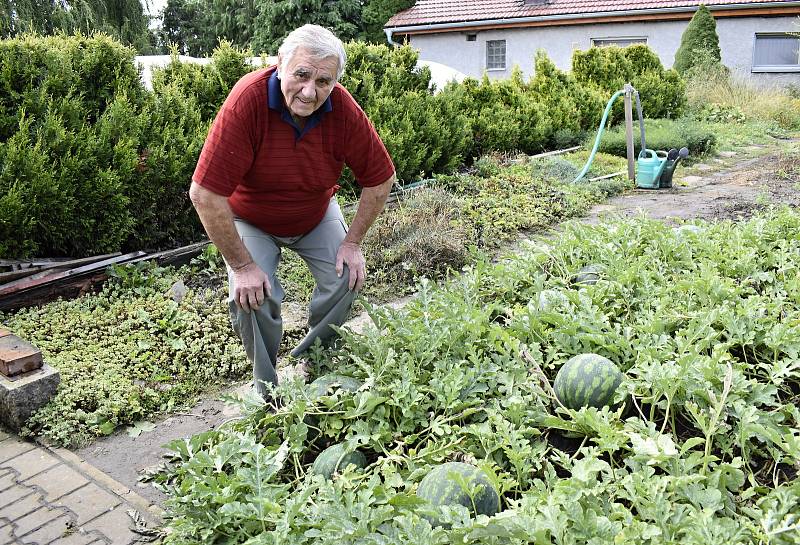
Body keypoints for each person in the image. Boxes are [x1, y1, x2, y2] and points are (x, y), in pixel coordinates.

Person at [189, 24, 396, 399]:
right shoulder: (248, 100)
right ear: (280, 64)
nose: (309, 90)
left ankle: (316, 361)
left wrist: (353, 243)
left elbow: (381, 179)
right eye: (301, 74)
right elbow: (204, 194)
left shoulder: (343, 109)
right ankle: (267, 390)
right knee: (251, 293)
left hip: (314, 212)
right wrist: (242, 267)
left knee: (347, 274)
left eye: (323, 81)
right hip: (251, 216)